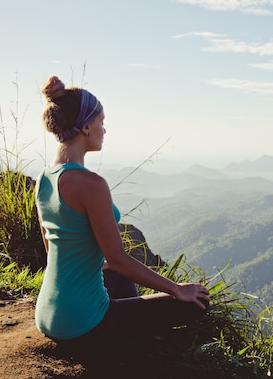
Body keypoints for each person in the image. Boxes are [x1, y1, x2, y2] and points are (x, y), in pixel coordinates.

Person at [34, 76, 209, 351]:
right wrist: (176, 289)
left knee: (121, 277)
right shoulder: (91, 185)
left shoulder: (45, 178)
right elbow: (117, 260)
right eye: (101, 122)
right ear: (86, 127)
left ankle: (134, 333)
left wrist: (92, 267)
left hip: (48, 315)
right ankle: (135, 342)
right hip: (82, 323)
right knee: (198, 300)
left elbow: (50, 243)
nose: (104, 129)